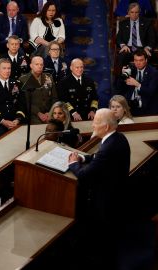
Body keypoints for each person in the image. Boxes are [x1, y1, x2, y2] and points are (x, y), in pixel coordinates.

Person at [67, 108, 131, 268]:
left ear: (106, 127)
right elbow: (97, 158)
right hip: (117, 197)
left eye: (96, 122)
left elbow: (83, 175)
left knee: (103, 244)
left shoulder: (108, 147)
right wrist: (82, 156)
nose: (93, 125)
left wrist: (73, 164)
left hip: (106, 203)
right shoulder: (118, 138)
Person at [0, 58, 26, 138]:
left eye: (9, 68)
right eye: (4, 68)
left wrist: (17, 119)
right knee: (2, 136)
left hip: (15, 120)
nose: (7, 71)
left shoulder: (17, 83)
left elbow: (22, 103)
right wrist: (3, 121)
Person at [116, 50, 158, 116]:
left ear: (146, 60)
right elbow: (118, 88)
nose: (138, 63)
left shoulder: (153, 72)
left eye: (141, 60)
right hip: (130, 106)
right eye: (136, 60)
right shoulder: (130, 70)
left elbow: (151, 91)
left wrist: (137, 84)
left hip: (146, 106)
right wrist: (122, 76)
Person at [18, 55, 57, 124]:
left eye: (41, 64)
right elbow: (26, 101)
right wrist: (38, 113)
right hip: (33, 114)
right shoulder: (23, 79)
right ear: (31, 66)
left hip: (49, 113)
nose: (39, 66)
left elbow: (54, 97)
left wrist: (50, 112)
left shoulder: (48, 77)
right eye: (37, 64)